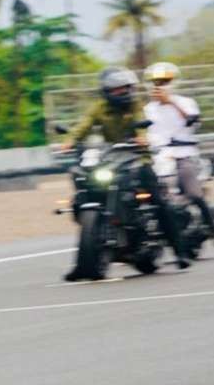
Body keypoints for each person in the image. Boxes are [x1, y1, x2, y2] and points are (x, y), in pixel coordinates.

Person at [61, 67, 191, 280]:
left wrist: (141, 137)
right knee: (83, 194)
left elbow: (141, 123)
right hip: (111, 157)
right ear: (107, 91)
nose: (123, 93)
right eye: (118, 90)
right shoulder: (99, 108)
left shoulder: (135, 105)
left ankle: (180, 251)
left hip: (138, 156)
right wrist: (70, 141)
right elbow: (83, 125)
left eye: (126, 88)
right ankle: (83, 264)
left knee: (159, 200)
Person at [144, 61, 213, 234]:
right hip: (158, 157)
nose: (160, 85)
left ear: (173, 82)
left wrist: (171, 103)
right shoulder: (147, 109)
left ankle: (211, 225)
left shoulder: (186, 102)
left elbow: (193, 121)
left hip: (184, 155)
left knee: (195, 194)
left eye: (165, 81)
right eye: (157, 82)